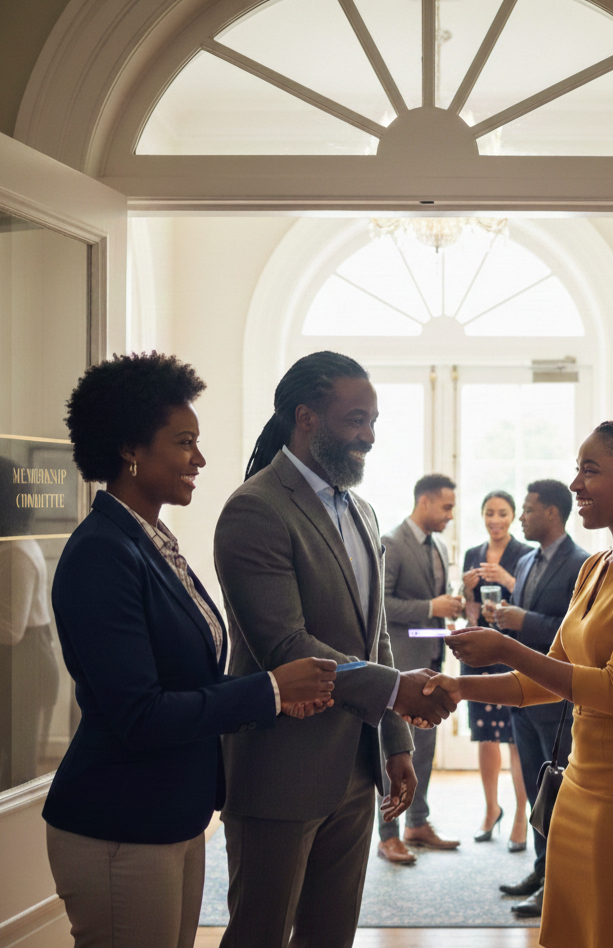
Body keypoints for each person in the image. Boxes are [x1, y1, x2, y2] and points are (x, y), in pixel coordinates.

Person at [42, 352, 337, 948]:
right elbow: (140, 714)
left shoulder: (148, 541)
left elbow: (187, 680)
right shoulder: (102, 553)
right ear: (131, 449)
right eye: (183, 442)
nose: (200, 459)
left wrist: (275, 692)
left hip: (173, 814)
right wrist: (272, 689)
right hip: (119, 823)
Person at [213, 351, 455, 948]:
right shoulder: (256, 508)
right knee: (259, 935)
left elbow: (373, 634)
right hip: (279, 767)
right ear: (306, 418)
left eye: (374, 421)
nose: (369, 437)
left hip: (355, 765)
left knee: (331, 935)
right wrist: (398, 691)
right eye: (355, 420)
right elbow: (285, 643)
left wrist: (395, 740)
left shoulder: (363, 510)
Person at [428, 418, 613, 948]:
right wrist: (460, 688)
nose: (575, 484)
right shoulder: (595, 566)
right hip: (577, 788)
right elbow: (541, 684)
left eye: (590, 470)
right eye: (577, 469)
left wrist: (505, 646)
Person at [487, 479, 589, 919]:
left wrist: (521, 619)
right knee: (534, 787)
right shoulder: (527, 560)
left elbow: (576, 635)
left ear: (552, 513)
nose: (521, 517)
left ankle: (559, 883)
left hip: (555, 699)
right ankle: (541, 868)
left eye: (527, 510)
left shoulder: (581, 564)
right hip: (522, 698)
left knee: (558, 792)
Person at [376, 473, 463, 864]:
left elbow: (435, 601)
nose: (449, 516)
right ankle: (388, 834)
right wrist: (432, 608)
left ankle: (418, 822)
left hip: (432, 660)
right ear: (424, 502)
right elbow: (381, 605)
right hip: (400, 664)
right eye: (446, 507)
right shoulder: (391, 543)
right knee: (395, 751)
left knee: (424, 748)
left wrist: (450, 609)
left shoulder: (441, 547)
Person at [0, 455, 60, 796]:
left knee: (10, 774)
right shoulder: (11, 545)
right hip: (20, 666)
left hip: (22, 669)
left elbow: (10, 631)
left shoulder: (15, 554)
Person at [461, 489, 532, 847]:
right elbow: (469, 613)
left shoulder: (525, 554)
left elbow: (532, 598)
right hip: (478, 655)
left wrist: (505, 579)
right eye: (489, 513)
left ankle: (521, 813)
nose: (495, 520)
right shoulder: (472, 555)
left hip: (512, 653)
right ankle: (491, 809)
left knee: (516, 740)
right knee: (486, 736)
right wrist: (467, 592)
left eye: (502, 513)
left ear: (513, 515)